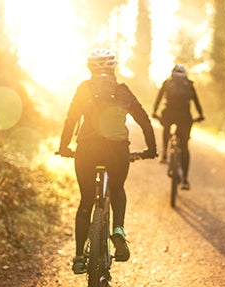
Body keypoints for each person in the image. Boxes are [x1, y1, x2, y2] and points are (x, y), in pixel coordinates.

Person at [58, 48, 157, 274]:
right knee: (117, 189)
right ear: (114, 68)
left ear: (89, 68)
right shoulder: (123, 91)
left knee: (85, 201)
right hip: (117, 151)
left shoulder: (83, 89)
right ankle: (119, 230)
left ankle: (79, 256)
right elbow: (144, 120)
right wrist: (151, 149)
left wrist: (64, 147)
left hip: (87, 150)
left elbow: (71, 119)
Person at [152, 64, 204, 190]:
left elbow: (159, 97)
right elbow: (196, 101)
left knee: (166, 128)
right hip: (185, 117)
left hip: (168, 113)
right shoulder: (189, 85)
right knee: (184, 147)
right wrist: (201, 114)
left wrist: (154, 111)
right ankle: (185, 180)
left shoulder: (167, 83)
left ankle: (164, 153)